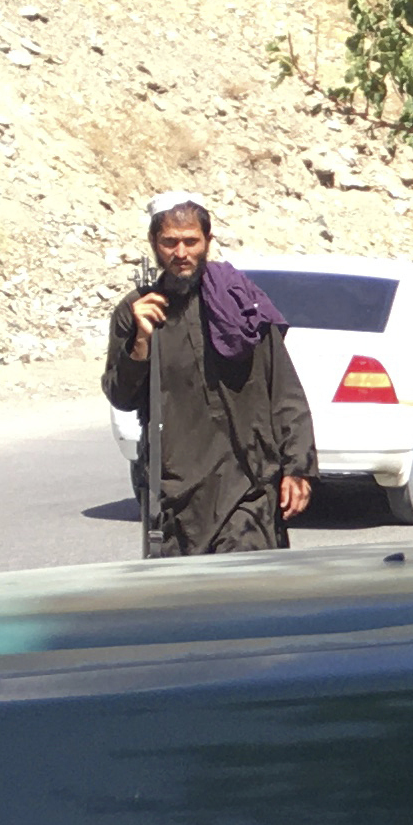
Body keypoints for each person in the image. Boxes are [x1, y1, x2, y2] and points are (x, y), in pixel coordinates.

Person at [102, 194, 313, 556]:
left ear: (208, 242)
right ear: (154, 244)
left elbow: (284, 390)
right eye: (170, 242)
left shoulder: (242, 305)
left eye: (190, 241)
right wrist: (139, 341)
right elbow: (121, 395)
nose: (180, 252)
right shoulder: (136, 310)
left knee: (241, 595)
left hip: (248, 482)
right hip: (176, 493)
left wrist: (299, 466)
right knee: (187, 605)